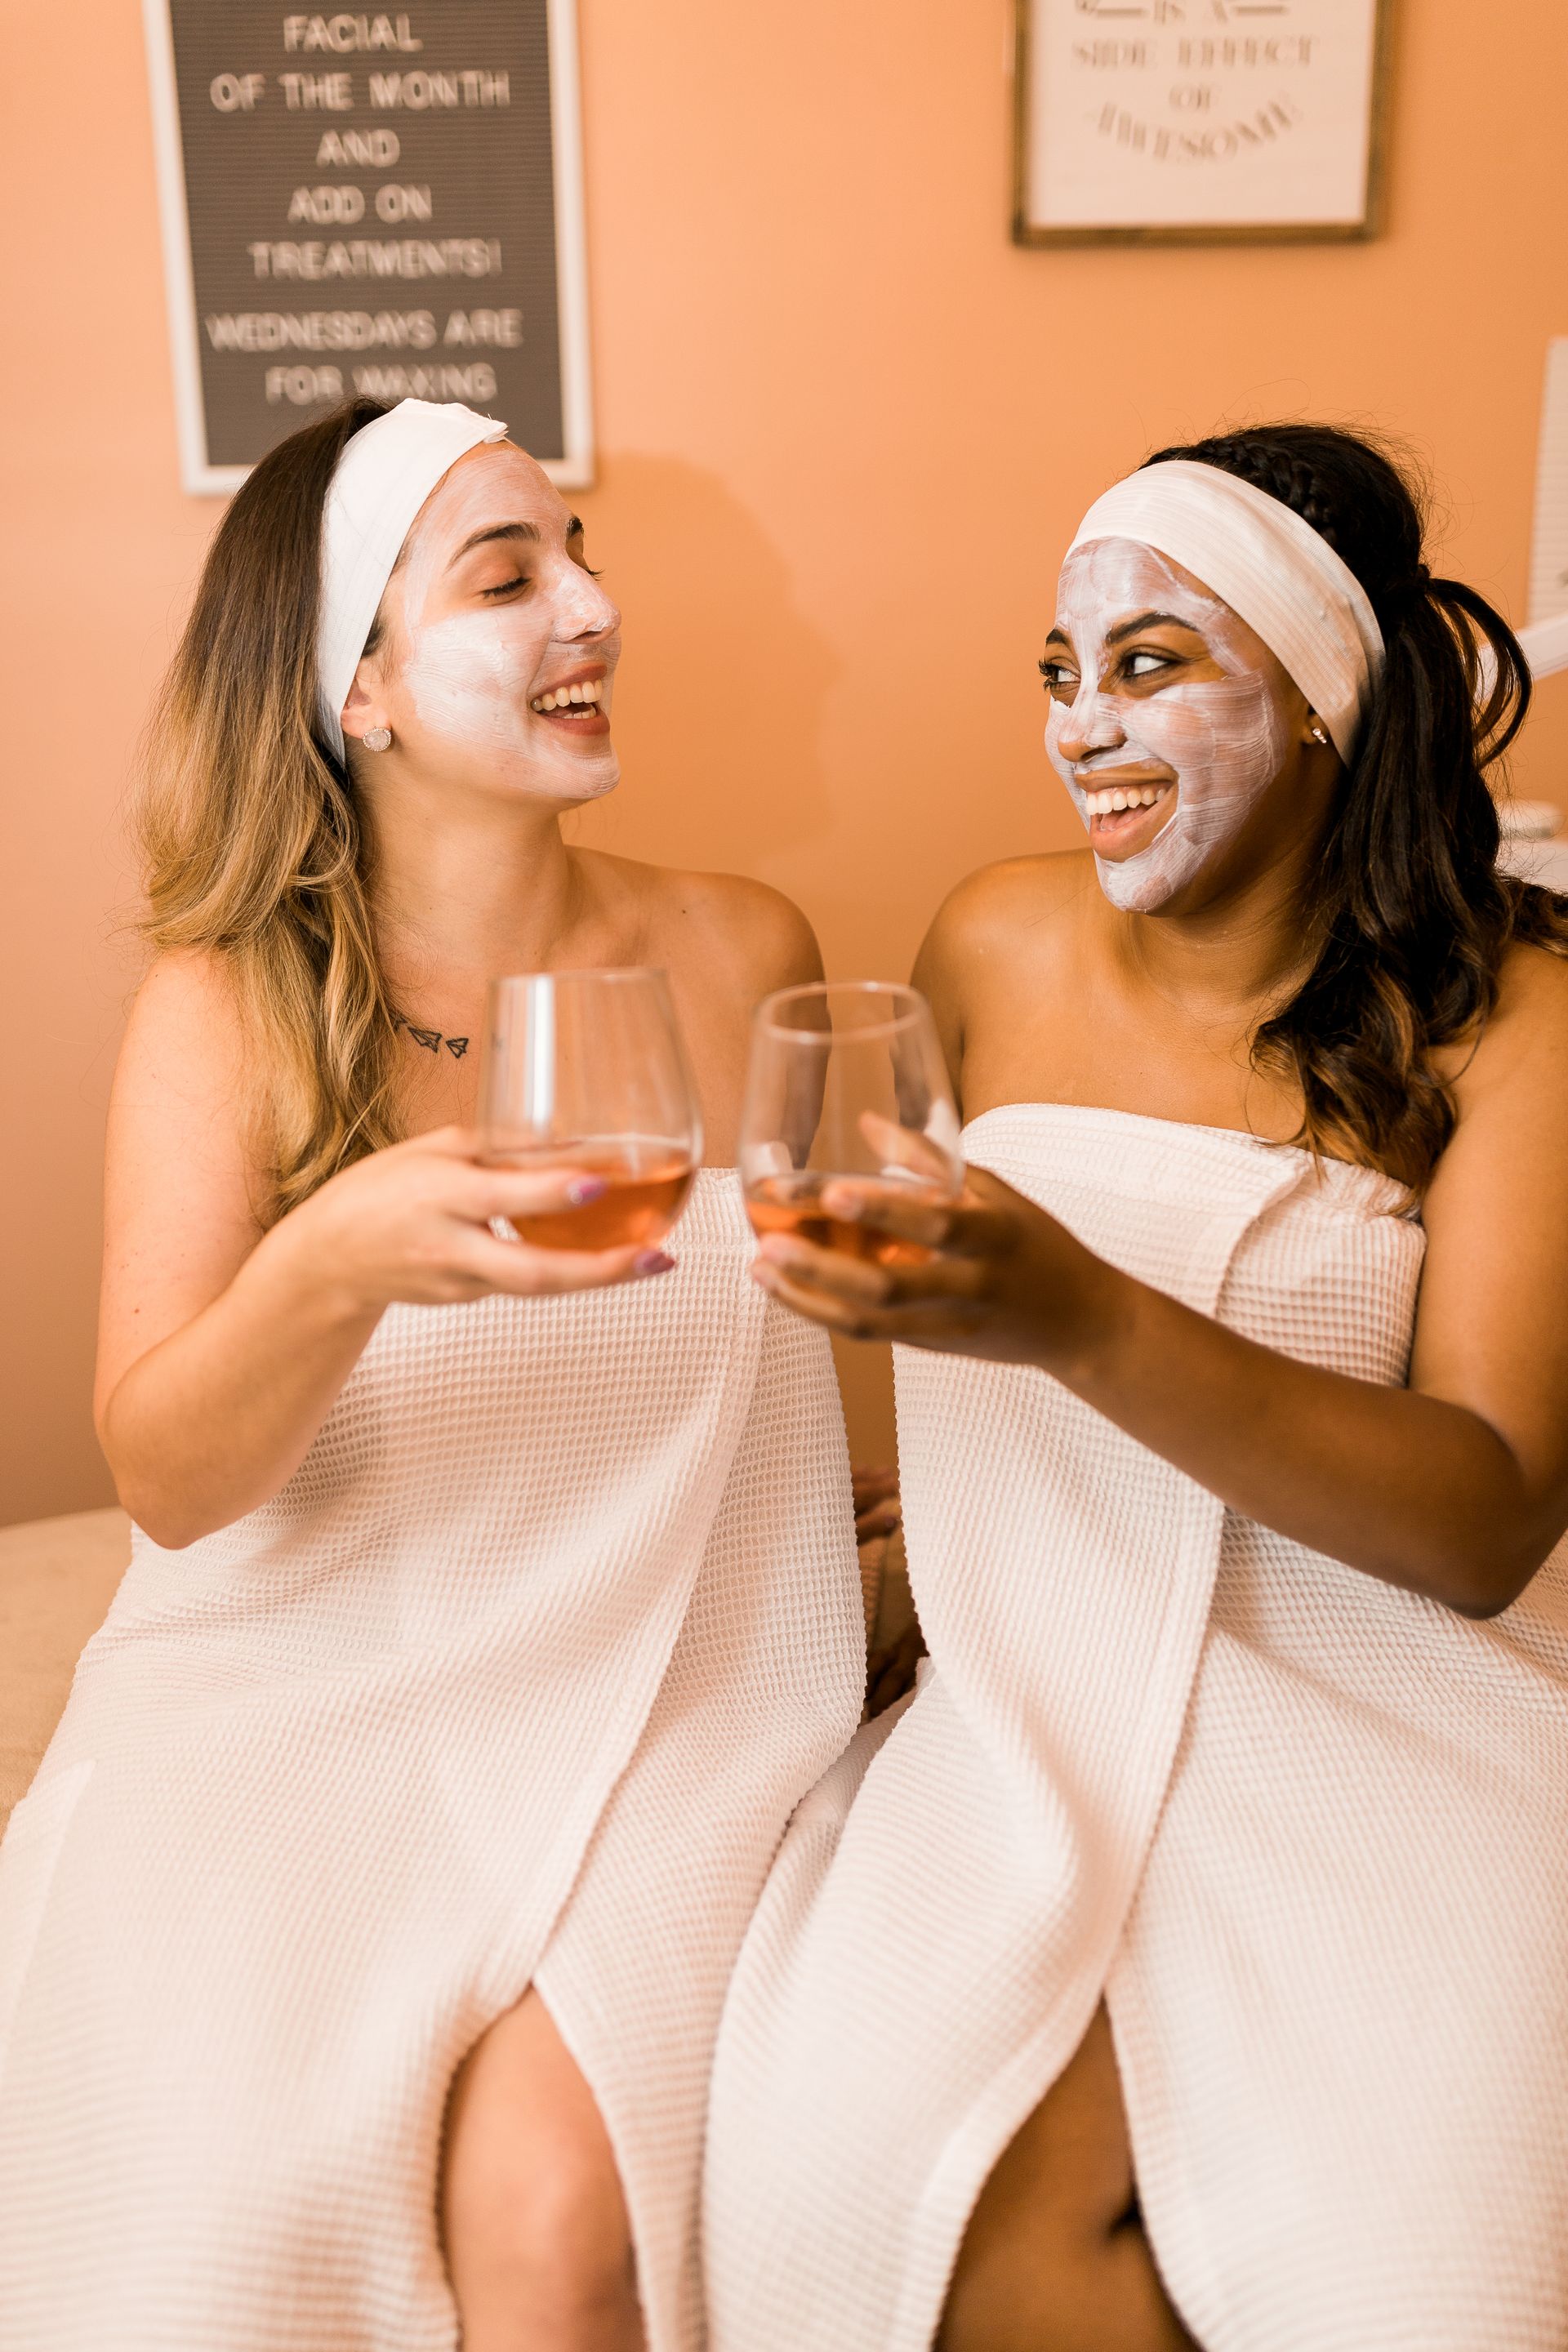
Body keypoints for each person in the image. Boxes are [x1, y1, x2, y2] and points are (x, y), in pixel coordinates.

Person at [0, 398, 866, 2352]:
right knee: (207, 2215)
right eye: (508, 575)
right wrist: (338, 1255)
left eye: (579, 552)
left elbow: (812, 1344)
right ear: (362, 689)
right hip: (305, 1692)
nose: (592, 606)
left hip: (676, 1705)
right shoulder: (227, 1006)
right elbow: (167, 1477)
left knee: (555, 2222)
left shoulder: (742, 951)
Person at [704, 425, 1568, 2352]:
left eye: (1155, 663)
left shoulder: (1518, 1020)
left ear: (1330, 696)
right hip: (1032, 1709)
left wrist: (1076, 1316)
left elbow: (1491, 1515)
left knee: (1401, 2282)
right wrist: (911, 1522)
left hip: (1387, 1726)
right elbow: (901, 1307)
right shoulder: (992, 939)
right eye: (1058, 673)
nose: (1083, 725)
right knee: (901, 2224)